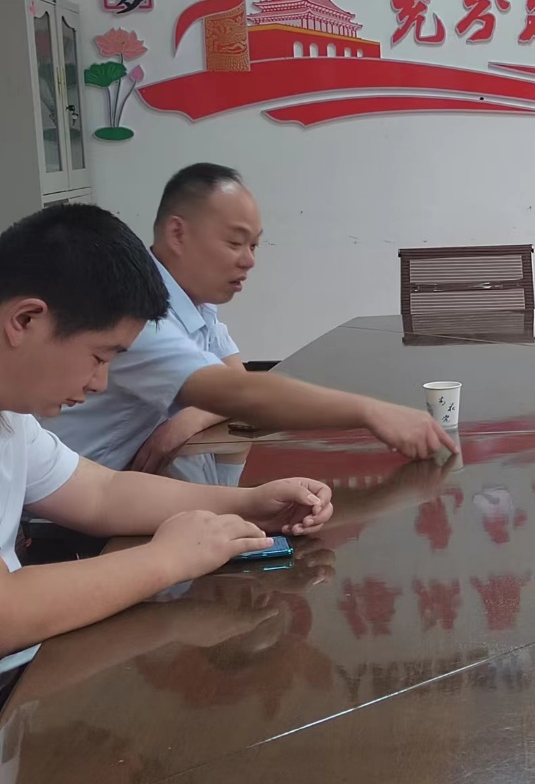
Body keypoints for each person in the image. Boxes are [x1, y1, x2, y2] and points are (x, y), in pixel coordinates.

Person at [0, 204, 334, 679]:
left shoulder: (12, 414)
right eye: (99, 356)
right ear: (26, 320)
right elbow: (6, 615)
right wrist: (166, 559)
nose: (99, 382)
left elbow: (100, 493)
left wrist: (251, 504)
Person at [45, 164, 455, 474]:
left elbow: (234, 379)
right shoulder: (139, 315)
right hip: (75, 520)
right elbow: (244, 394)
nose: (249, 261)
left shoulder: (192, 299)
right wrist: (372, 412)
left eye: (254, 246)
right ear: (177, 234)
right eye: (234, 242)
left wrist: (192, 415)